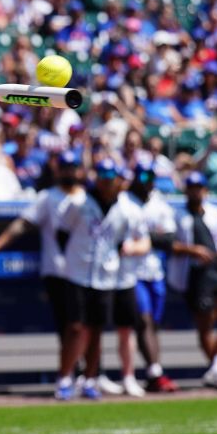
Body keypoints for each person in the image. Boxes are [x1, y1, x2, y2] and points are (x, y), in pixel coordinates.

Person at [0, 150, 86, 400]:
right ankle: (67, 377)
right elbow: (23, 223)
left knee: (88, 326)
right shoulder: (48, 197)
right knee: (70, 326)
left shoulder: (89, 198)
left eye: (73, 167)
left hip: (89, 271)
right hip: (58, 271)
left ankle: (87, 376)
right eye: (65, 167)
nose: (69, 172)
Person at [57, 159, 150, 400]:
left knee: (97, 329)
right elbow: (62, 233)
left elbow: (126, 241)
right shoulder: (79, 203)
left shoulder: (127, 209)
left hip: (106, 275)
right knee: (75, 327)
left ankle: (90, 379)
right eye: (104, 178)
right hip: (77, 272)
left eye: (113, 179)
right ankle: (65, 378)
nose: (108, 183)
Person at [169, 172, 217, 390]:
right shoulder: (178, 216)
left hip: (216, 271)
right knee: (206, 325)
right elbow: (170, 244)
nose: (195, 191)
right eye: (191, 187)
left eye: (198, 187)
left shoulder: (215, 212)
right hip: (194, 274)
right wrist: (192, 250)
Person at [127, 160, 180, 392]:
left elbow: (169, 240)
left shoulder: (159, 203)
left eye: (151, 178)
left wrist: (145, 239)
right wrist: (151, 238)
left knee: (153, 324)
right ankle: (155, 372)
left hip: (155, 271)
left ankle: (152, 373)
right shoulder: (124, 202)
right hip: (130, 271)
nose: (148, 183)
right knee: (144, 320)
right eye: (143, 178)